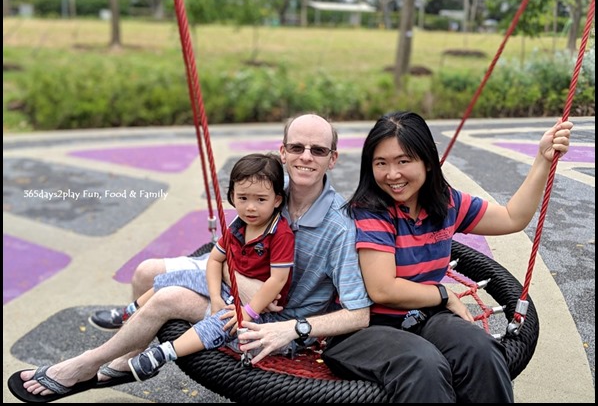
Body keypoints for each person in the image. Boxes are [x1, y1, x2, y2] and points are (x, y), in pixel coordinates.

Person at [8, 113, 372, 402]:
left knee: (167, 298)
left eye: (318, 150)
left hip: (269, 320)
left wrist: (291, 327)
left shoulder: (339, 228)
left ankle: (84, 364)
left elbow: (358, 313)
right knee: (146, 271)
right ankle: (120, 362)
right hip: (234, 285)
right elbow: (233, 246)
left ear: (333, 159)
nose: (305, 157)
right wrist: (232, 278)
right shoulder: (272, 186)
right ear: (282, 151)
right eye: (297, 147)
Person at [320, 111, 573, 403]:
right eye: (381, 163)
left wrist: (542, 159)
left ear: (427, 161)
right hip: (362, 328)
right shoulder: (371, 211)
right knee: (423, 364)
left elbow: (512, 218)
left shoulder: (446, 203)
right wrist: (443, 295)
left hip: (421, 319)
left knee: (481, 350)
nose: (392, 174)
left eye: (403, 161)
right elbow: (383, 289)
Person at [126, 152, 295, 381]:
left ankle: (164, 353)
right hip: (227, 289)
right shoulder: (238, 225)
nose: (250, 208)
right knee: (186, 276)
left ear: (277, 200)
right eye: (243, 198)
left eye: (260, 200)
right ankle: (132, 309)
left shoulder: (280, 234)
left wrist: (248, 311)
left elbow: (278, 280)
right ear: (232, 196)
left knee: (222, 323)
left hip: (258, 308)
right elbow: (215, 259)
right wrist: (215, 297)